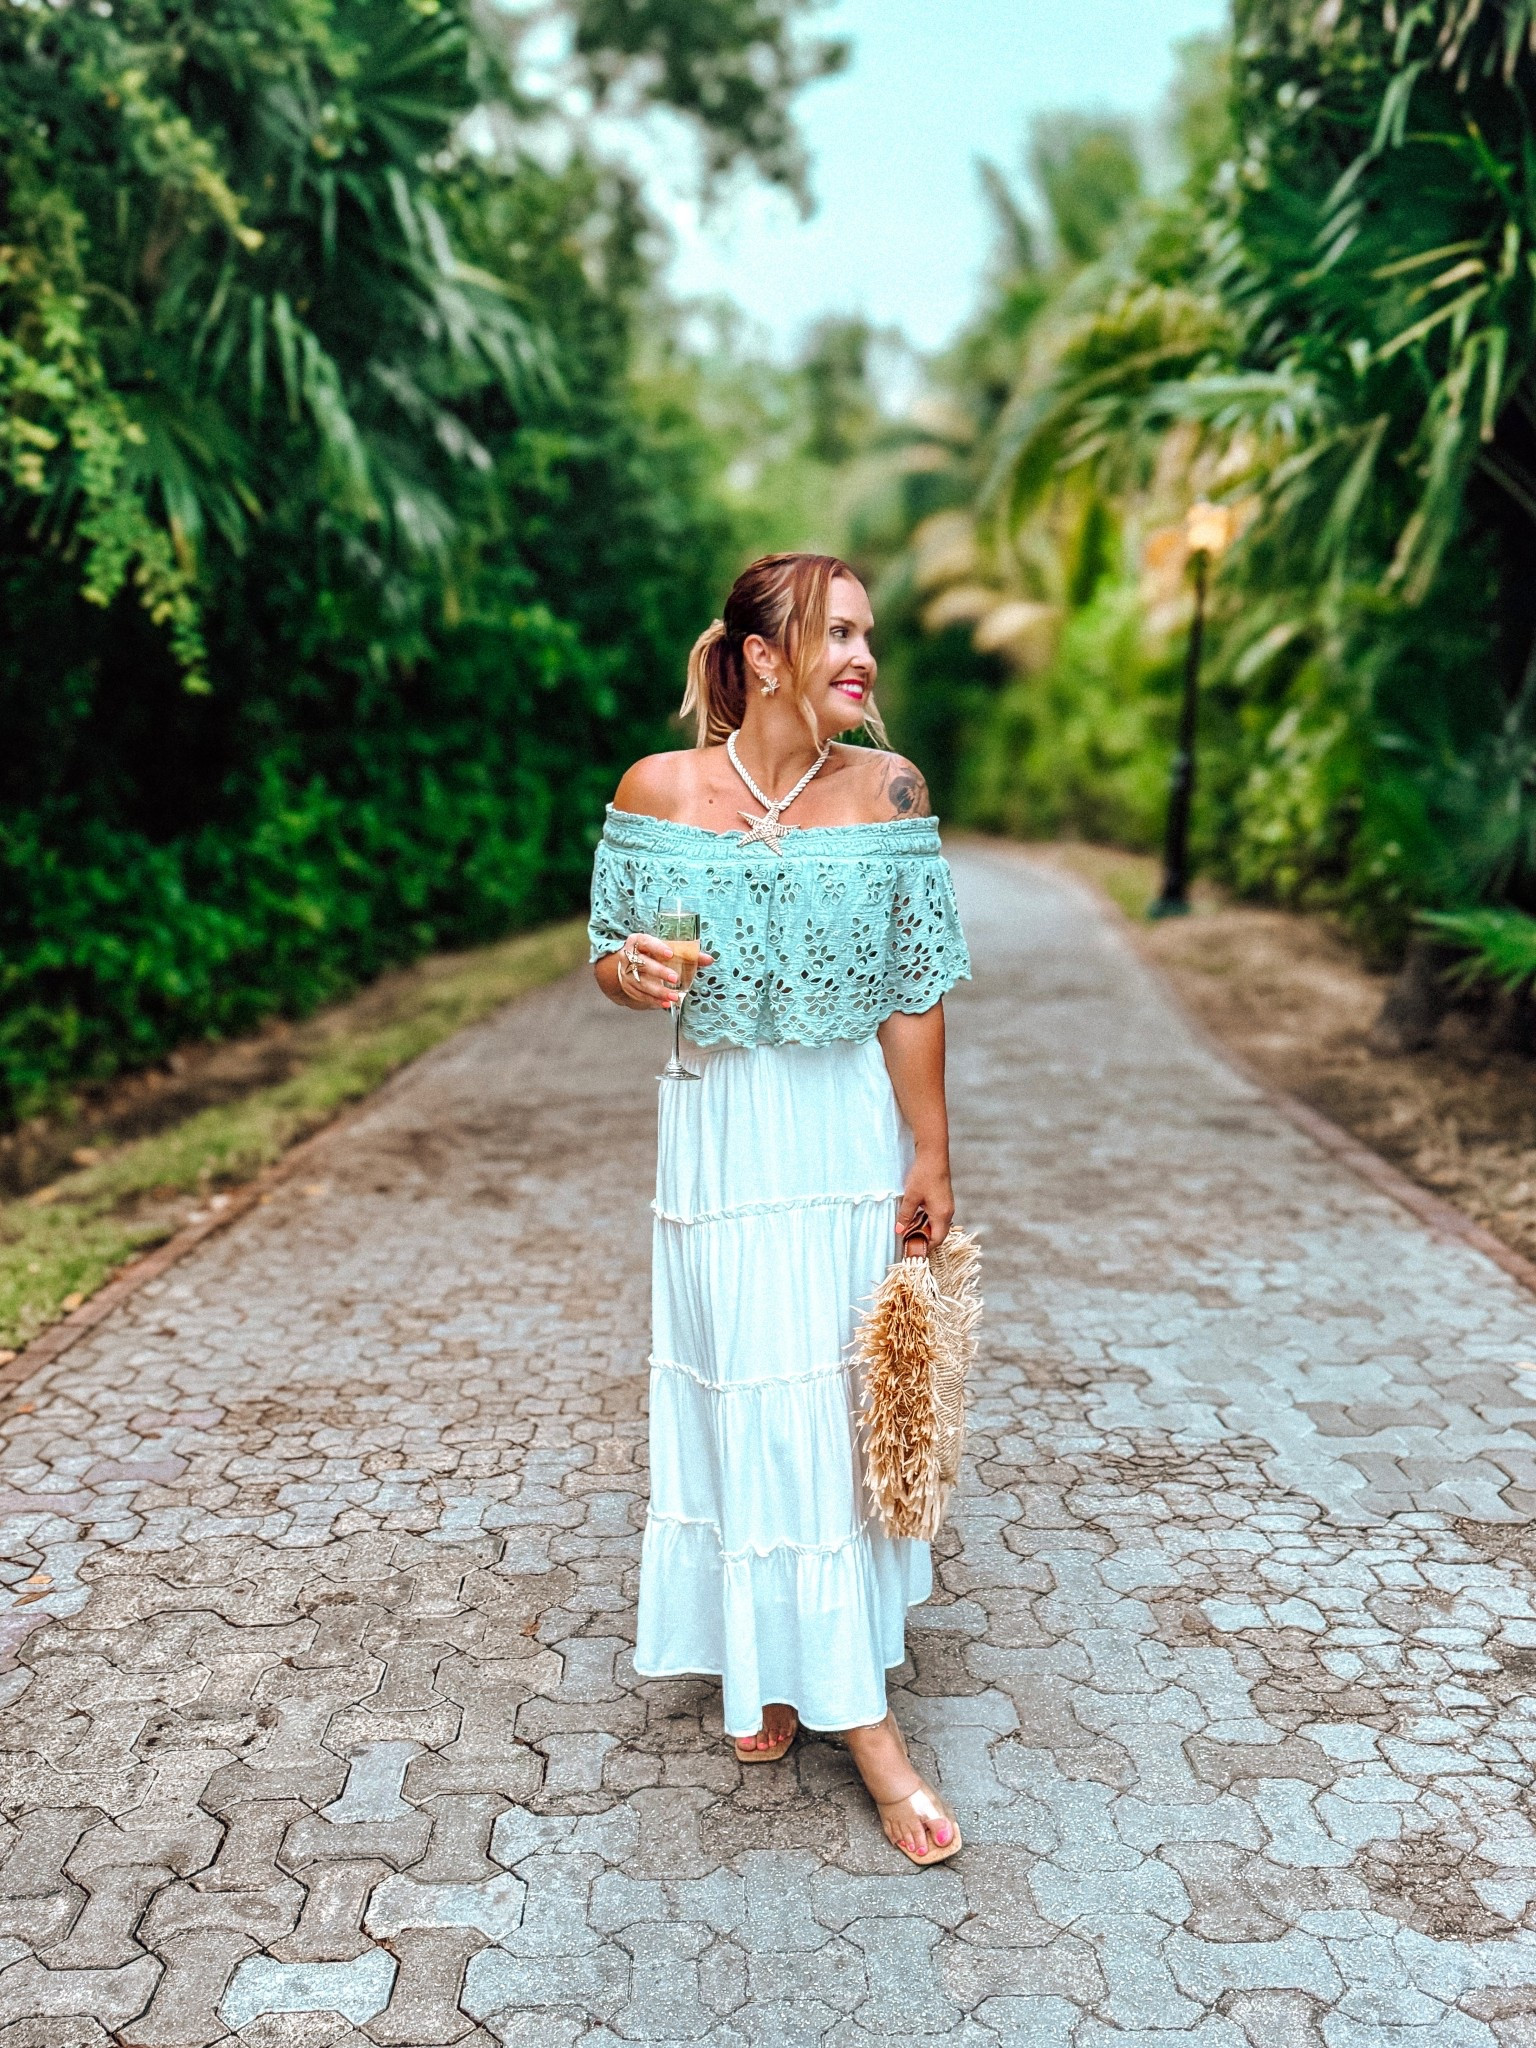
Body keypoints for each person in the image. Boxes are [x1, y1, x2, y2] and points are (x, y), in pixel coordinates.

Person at [588, 551, 971, 1865]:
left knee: (829, 1397)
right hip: (720, 1133)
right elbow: (611, 953)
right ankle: (771, 1667)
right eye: (838, 634)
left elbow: (917, 991)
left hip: (844, 1131)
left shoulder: (889, 790)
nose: (864, 656)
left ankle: (851, 1707)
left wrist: (931, 1157)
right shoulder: (661, 790)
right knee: (740, 1388)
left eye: (871, 632)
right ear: (762, 655)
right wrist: (627, 976)